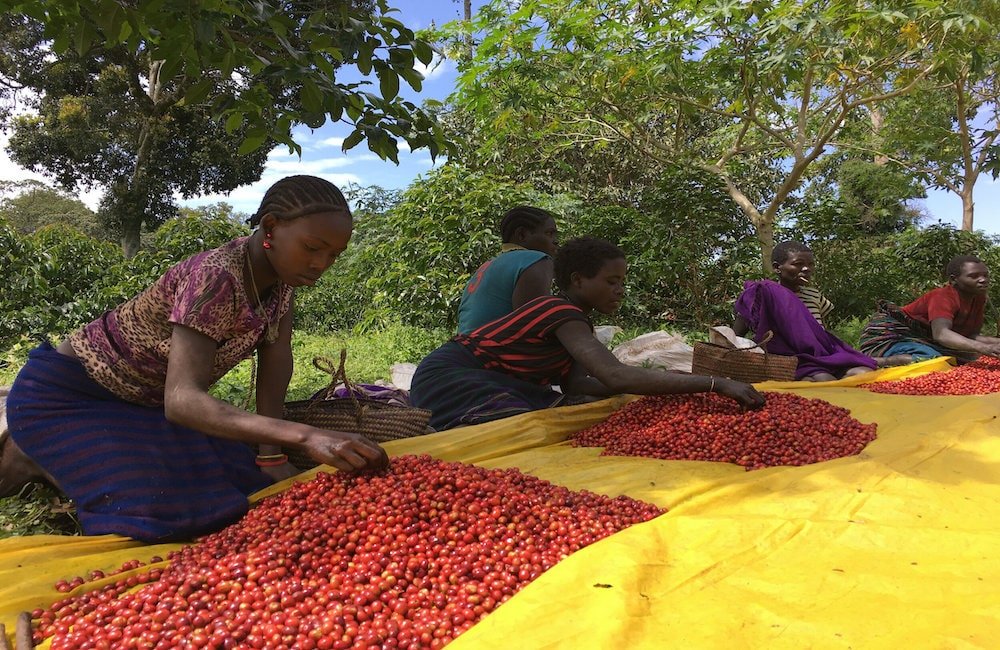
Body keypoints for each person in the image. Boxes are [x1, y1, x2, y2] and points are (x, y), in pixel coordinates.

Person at [1, 175, 387, 542]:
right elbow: (183, 400)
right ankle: (30, 453)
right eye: (312, 247)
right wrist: (306, 436)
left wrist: (272, 456)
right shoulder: (215, 277)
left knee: (240, 483)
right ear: (270, 227)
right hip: (70, 399)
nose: (321, 265)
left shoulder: (281, 286)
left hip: (145, 407)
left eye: (334, 255)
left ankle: (74, 451)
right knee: (160, 510)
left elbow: (276, 363)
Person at [412, 237, 765, 431]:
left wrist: (662, 383)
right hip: (452, 378)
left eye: (622, 283)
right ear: (578, 280)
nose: (619, 291)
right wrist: (714, 383)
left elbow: (580, 384)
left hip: (481, 379)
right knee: (525, 426)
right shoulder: (560, 312)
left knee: (553, 415)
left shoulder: (575, 320)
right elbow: (613, 374)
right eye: (611, 282)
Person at [732, 241, 879, 381]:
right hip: (791, 359)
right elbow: (735, 336)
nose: (806, 269)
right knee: (824, 379)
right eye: (798, 264)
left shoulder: (814, 295)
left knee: (865, 372)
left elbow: (820, 331)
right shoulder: (763, 296)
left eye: (810, 264)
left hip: (821, 355)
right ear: (777, 268)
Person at [858, 255, 1000, 363]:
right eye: (974, 276)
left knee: (970, 357)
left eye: (985, 275)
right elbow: (941, 334)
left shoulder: (979, 298)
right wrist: (984, 348)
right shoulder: (943, 297)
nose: (983, 280)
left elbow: (972, 336)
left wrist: (994, 343)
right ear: (953, 279)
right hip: (892, 335)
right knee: (931, 359)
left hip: (924, 339)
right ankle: (876, 361)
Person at [456, 206, 558, 334]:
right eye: (549, 233)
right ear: (522, 234)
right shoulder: (535, 259)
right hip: (490, 350)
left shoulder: (488, 265)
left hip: (464, 347)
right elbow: (533, 327)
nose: (556, 241)